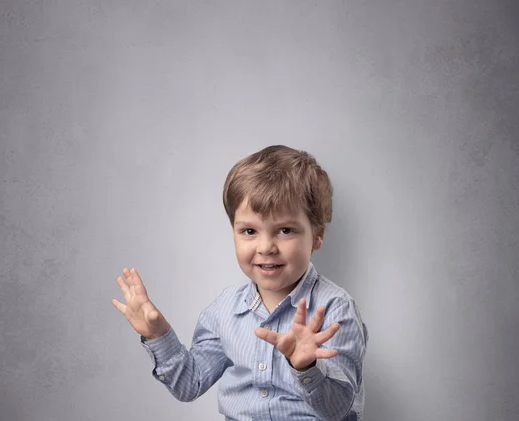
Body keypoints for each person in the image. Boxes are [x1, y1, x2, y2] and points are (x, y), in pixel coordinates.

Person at [112, 145, 369, 420]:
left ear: (317, 236)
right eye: (249, 231)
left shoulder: (335, 309)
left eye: (285, 230)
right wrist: (158, 335)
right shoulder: (225, 309)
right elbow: (190, 384)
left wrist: (307, 368)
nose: (266, 247)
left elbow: (338, 410)